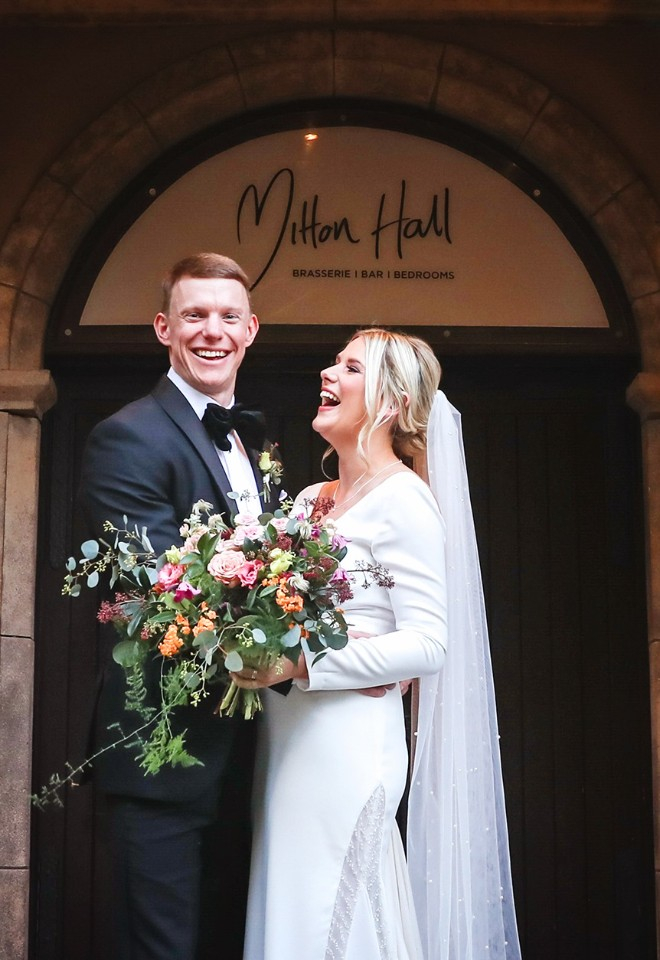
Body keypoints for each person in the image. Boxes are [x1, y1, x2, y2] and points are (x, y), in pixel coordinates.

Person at [232, 328, 522, 960]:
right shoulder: (312, 501)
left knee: (333, 908)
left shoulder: (406, 502)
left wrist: (304, 659)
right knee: (289, 903)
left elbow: (428, 645)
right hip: (286, 740)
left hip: (350, 745)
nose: (328, 375)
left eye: (350, 368)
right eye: (333, 363)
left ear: (390, 402)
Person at [80, 252, 279, 960]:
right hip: (166, 746)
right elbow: (159, 592)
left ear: (251, 329)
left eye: (228, 316)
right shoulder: (129, 435)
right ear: (164, 327)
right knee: (163, 948)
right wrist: (288, 656)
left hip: (253, 750)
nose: (212, 331)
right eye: (194, 315)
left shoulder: (249, 441)